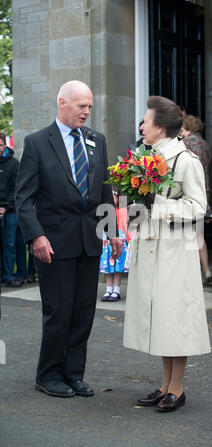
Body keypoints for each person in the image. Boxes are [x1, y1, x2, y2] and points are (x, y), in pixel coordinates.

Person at [16, 80, 122, 398]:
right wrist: (36, 236)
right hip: (54, 243)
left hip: (89, 241)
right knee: (58, 310)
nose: (87, 112)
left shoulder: (96, 141)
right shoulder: (36, 143)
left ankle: (74, 374)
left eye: (89, 106)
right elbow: (24, 198)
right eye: (81, 106)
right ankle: (48, 375)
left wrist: (113, 232)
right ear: (62, 103)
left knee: (83, 311)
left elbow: (104, 189)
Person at [123, 96, 211, 412]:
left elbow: (198, 206)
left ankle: (178, 387)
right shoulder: (145, 158)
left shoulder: (187, 161)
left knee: (175, 317)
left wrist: (159, 207)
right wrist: (134, 208)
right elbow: (140, 206)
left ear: (160, 127)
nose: (142, 126)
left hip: (176, 251)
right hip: (150, 247)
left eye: (146, 120)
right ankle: (164, 385)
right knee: (160, 318)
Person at [181, 115, 212, 286]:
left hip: (190, 192)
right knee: (198, 233)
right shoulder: (206, 145)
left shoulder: (187, 144)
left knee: (188, 233)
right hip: (205, 191)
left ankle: (193, 274)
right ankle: (206, 270)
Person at [100, 192, 133, 302]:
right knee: (109, 268)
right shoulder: (106, 210)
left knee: (117, 266)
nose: (112, 199)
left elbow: (124, 224)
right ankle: (108, 289)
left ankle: (116, 290)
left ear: (119, 198)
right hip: (107, 239)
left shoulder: (121, 209)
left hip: (119, 237)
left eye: (114, 197)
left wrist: (128, 238)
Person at [0, 132, 23, 287]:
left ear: (4, 145)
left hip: (10, 211)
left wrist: (3, 207)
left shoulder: (14, 164)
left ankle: (9, 275)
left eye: (0, 144)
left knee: (9, 244)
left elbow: (15, 189)